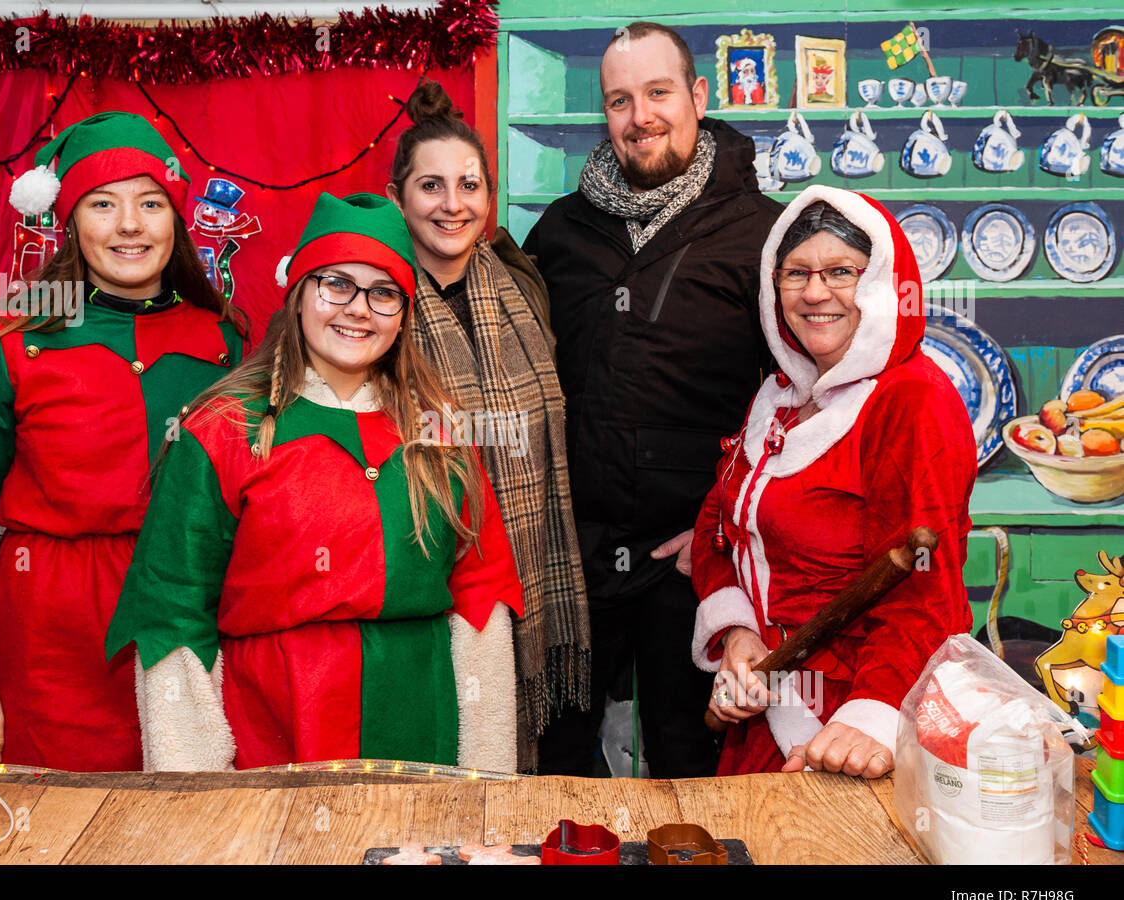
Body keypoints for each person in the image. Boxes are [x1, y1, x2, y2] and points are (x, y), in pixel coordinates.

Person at [104, 192, 524, 773]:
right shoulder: (221, 429)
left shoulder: (442, 429)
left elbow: (480, 602)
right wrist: (192, 796)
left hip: (421, 734)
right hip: (274, 734)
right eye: (336, 284)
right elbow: (174, 617)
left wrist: (485, 776)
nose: (358, 309)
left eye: (383, 293)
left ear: (404, 314)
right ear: (299, 293)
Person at [0, 111, 247, 771]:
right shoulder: (8, 337)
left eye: (150, 202)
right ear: (70, 222)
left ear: (175, 217)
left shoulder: (223, 341)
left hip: (192, 625)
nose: (130, 225)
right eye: (102, 204)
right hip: (54, 638)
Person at [522, 22, 781, 778]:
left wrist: (716, 526)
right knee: (561, 764)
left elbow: (794, 403)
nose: (641, 117)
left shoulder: (762, 233)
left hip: (697, 565)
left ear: (698, 95)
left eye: (658, 93)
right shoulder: (562, 232)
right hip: (577, 560)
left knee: (690, 765)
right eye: (619, 101)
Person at [691, 185, 976, 777]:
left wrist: (866, 720)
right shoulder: (780, 399)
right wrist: (740, 634)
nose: (815, 292)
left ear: (879, 286)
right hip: (768, 716)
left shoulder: (913, 401)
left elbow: (927, 593)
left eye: (841, 271)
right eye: (796, 273)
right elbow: (719, 524)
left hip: (853, 726)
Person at [385, 81, 590, 773]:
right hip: (428, 568)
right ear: (398, 198)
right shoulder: (375, 298)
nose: (453, 204)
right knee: (443, 753)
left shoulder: (520, 285)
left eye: (469, 185)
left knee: (523, 759)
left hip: (533, 561)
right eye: (431, 186)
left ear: (489, 199)